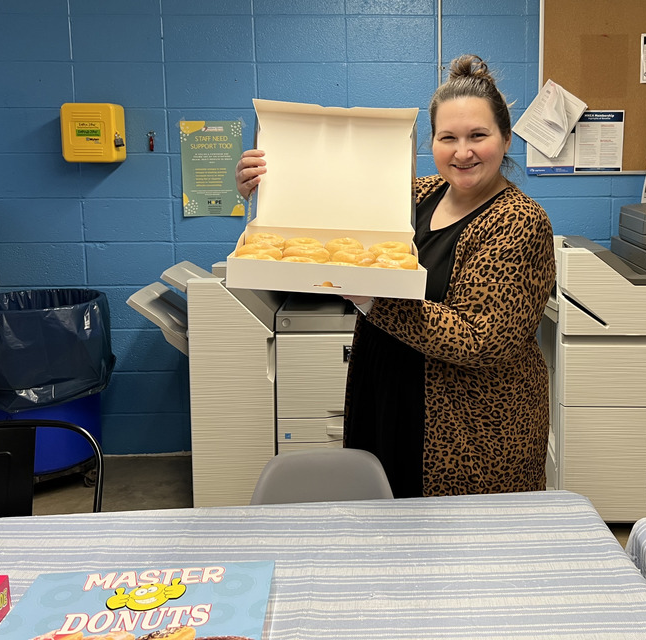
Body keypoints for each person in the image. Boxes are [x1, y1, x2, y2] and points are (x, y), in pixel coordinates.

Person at [235, 54, 556, 498]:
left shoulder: (519, 221)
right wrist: (268, 187)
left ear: (505, 139)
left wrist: (370, 299)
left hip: (467, 428)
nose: (462, 152)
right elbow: (332, 211)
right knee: (383, 518)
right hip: (387, 392)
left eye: (478, 136)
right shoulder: (419, 195)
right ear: (432, 142)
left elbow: (480, 340)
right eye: (448, 137)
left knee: (453, 537)